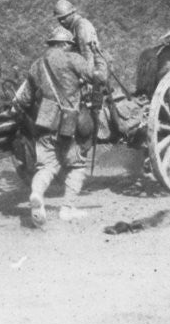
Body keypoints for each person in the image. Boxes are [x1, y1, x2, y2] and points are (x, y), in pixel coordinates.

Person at [12, 26, 103, 228]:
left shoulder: (37, 65)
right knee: (77, 165)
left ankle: (37, 194)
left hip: (44, 122)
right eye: (69, 45)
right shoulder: (73, 59)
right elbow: (99, 77)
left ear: (51, 44)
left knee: (47, 166)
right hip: (68, 123)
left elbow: (25, 99)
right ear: (65, 44)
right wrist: (98, 56)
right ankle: (67, 209)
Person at [53, 0, 105, 75]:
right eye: (59, 19)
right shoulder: (72, 27)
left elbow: (88, 53)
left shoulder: (81, 26)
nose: (61, 21)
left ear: (71, 13)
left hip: (95, 68)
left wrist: (87, 76)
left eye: (63, 18)